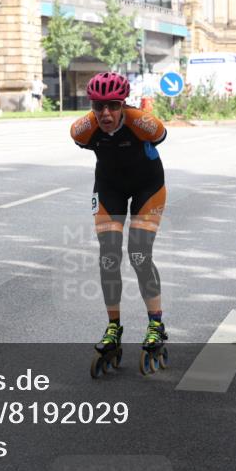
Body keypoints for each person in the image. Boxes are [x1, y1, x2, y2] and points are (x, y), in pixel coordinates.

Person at [70, 72, 169, 376]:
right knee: (109, 256)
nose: (105, 114)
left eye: (112, 106)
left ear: (123, 105)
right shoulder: (82, 130)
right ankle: (113, 328)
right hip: (109, 189)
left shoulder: (144, 123)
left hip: (147, 188)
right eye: (98, 106)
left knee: (139, 254)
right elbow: (84, 139)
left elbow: (160, 137)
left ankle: (155, 325)